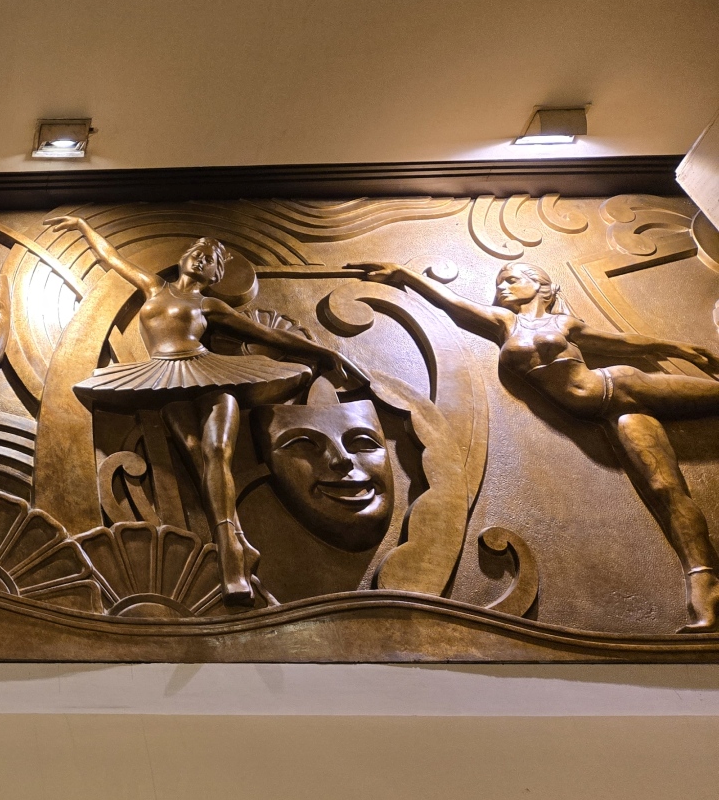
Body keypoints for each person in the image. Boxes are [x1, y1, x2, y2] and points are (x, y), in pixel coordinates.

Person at [348, 258, 719, 632]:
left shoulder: (565, 324)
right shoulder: (504, 323)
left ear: (539, 285)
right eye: (499, 283)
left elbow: (625, 342)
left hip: (620, 384)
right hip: (615, 413)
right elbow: (453, 303)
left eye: (511, 279)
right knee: (665, 490)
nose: (502, 288)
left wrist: (681, 349)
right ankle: (707, 592)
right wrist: (404, 275)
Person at [44, 218, 365, 602]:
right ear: (183, 259)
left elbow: (268, 334)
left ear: (216, 275)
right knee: (197, 458)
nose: (200, 259)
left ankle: (229, 554)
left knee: (216, 453)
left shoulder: (209, 304)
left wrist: (325, 352)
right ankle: (238, 541)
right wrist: (83, 226)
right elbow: (111, 257)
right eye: (196, 252)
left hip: (214, 378)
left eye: (209, 259)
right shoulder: (154, 287)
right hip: (166, 380)